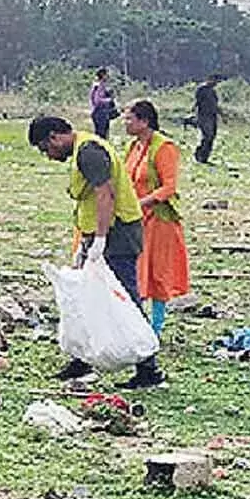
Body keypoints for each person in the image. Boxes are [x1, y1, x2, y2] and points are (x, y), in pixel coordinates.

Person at [28, 116, 166, 389]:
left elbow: (106, 195)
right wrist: (88, 238)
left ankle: (148, 367)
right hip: (99, 232)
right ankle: (81, 361)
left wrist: (101, 239)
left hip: (118, 233)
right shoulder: (84, 148)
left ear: (56, 137)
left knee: (124, 295)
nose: (49, 155)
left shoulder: (89, 152)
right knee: (86, 295)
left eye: (46, 148)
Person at [122, 100, 190, 337]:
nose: (125, 123)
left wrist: (142, 203)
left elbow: (169, 186)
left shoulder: (164, 147)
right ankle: (136, 322)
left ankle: (156, 327)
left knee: (158, 273)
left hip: (159, 219)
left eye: (130, 118)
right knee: (137, 270)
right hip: (136, 220)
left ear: (144, 121)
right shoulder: (133, 147)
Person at [193, 74, 221, 164]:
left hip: (212, 117)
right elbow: (198, 103)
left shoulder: (213, 92)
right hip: (204, 116)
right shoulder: (202, 89)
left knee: (211, 137)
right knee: (207, 136)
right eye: (214, 80)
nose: (216, 83)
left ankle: (204, 156)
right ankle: (200, 154)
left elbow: (215, 105)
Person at [89, 68, 118, 139]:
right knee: (101, 136)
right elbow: (97, 101)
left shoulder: (101, 85)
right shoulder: (98, 86)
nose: (108, 76)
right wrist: (109, 100)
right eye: (106, 74)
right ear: (102, 75)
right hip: (100, 113)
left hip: (101, 113)